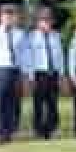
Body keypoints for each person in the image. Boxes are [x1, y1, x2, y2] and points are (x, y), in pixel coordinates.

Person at [0, 4, 29, 144]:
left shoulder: (20, 34)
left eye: (11, 16)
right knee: (0, 101)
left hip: (15, 69)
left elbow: (24, 54)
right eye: (5, 16)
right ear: (1, 17)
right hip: (0, 68)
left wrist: (25, 72)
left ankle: (9, 130)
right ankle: (0, 131)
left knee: (13, 101)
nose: (8, 19)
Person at [28, 7, 65, 139]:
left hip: (53, 73)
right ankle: (38, 129)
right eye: (44, 20)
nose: (47, 23)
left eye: (49, 21)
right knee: (38, 103)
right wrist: (31, 76)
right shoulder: (32, 37)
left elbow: (59, 56)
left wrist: (61, 74)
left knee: (52, 103)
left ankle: (51, 128)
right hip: (39, 73)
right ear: (38, 22)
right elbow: (29, 58)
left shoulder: (56, 36)